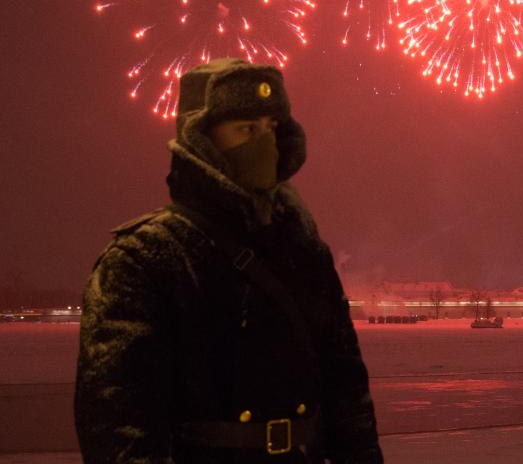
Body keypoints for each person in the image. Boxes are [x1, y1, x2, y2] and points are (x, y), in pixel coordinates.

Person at [75, 58, 382, 463]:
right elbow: (119, 429)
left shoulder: (303, 250)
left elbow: (347, 394)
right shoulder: (143, 258)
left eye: (271, 128)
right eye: (245, 130)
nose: (265, 142)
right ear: (202, 142)